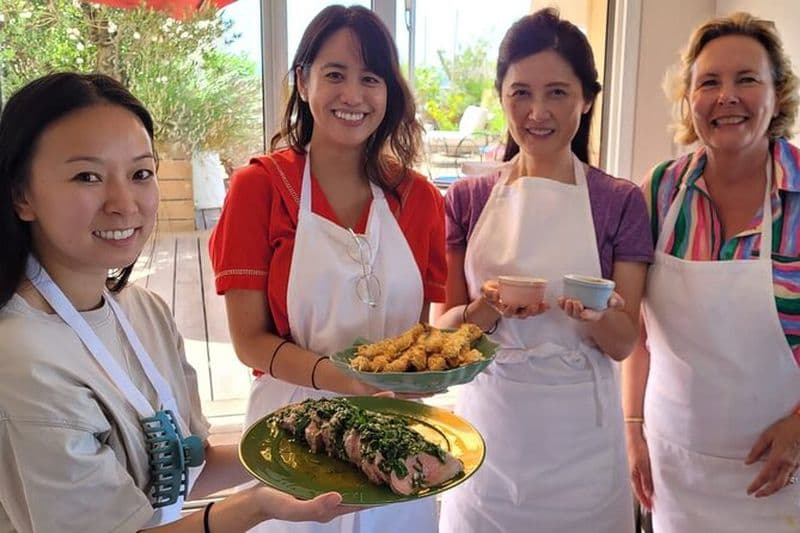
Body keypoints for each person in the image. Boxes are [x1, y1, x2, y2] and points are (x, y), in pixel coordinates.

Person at [0, 72, 357, 532]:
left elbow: (185, 466)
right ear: (20, 194)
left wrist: (313, 454)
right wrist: (257, 507)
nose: (123, 202)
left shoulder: (144, 311)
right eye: (87, 176)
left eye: (140, 173)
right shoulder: (21, 362)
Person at [208, 5, 445, 533]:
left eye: (371, 79)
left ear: (389, 93)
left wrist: (422, 377)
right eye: (335, 74)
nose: (353, 96)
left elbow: (417, 340)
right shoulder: (261, 188)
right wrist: (338, 378)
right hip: (290, 434)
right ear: (303, 79)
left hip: (395, 433)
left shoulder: (421, 198)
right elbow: (249, 341)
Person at [435, 9, 653, 533]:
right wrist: (486, 308)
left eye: (557, 92)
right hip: (487, 440)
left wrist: (597, 317)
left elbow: (624, 343)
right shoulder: (466, 200)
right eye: (520, 93)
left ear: (586, 98)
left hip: (583, 452)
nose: (538, 111)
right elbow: (443, 333)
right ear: (501, 95)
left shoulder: (619, 202)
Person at [622, 12, 800, 532]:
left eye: (747, 79)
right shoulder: (658, 193)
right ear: (689, 99)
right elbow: (635, 330)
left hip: (782, 474)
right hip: (676, 467)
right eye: (709, 82)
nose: (727, 96)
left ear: (777, 94)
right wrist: (632, 430)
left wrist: (798, 429)